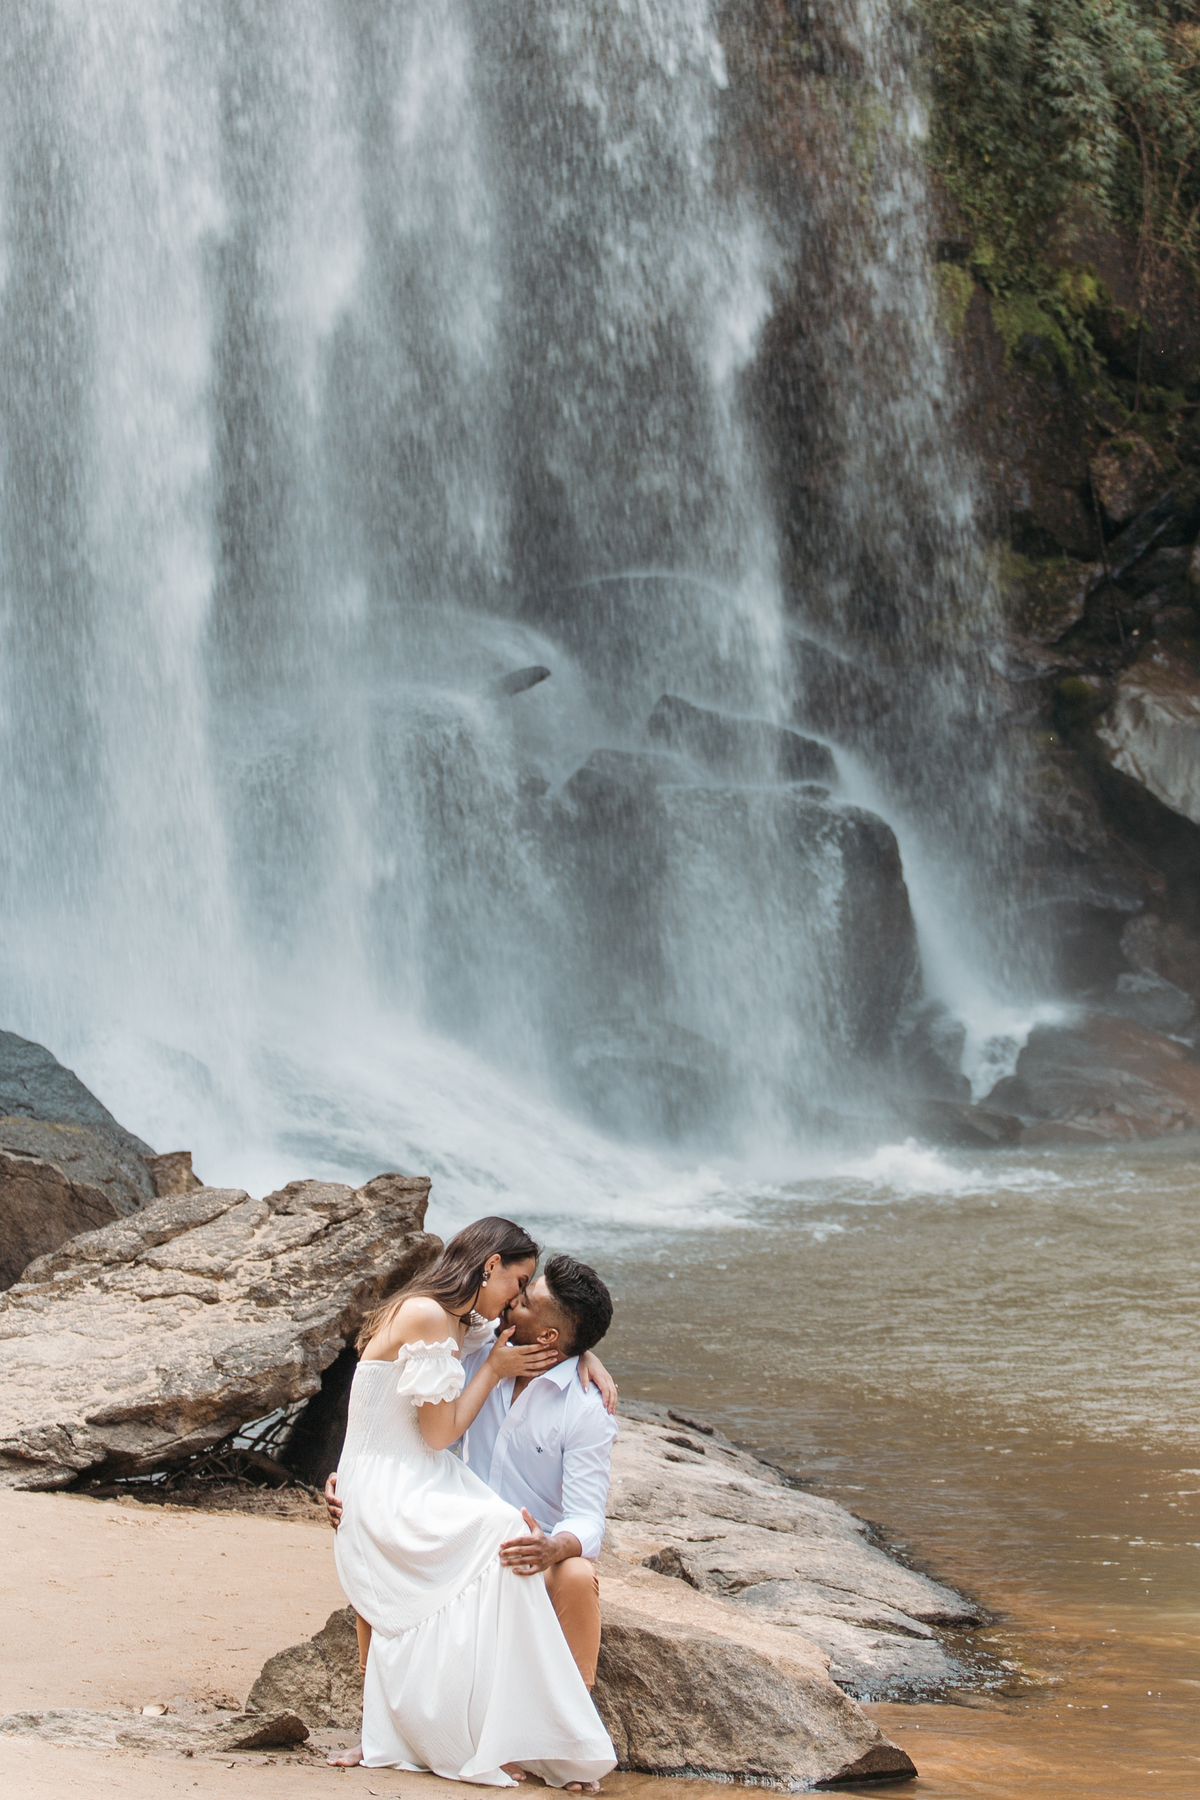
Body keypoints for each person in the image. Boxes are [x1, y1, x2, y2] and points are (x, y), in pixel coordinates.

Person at [330, 1216, 616, 1790]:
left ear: (552, 1337)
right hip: (436, 1492)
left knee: (571, 1571)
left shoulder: (582, 1405)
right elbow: (404, 1421)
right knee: (481, 1533)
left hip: (502, 1522)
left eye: (526, 1298)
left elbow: (588, 1515)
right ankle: (432, 1728)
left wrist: (586, 1356)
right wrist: (346, 1476)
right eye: (520, 1284)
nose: (512, 1302)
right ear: (493, 1270)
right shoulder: (473, 1338)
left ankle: (560, 1728)